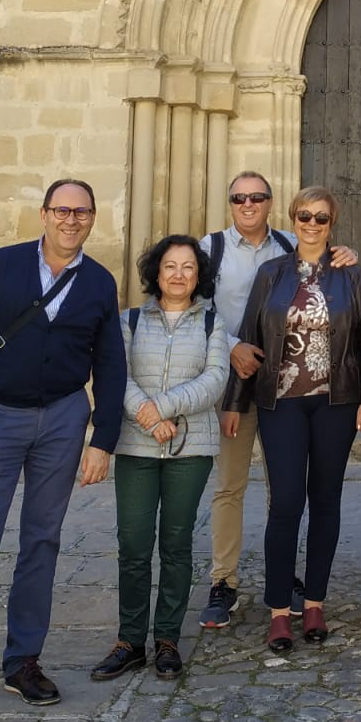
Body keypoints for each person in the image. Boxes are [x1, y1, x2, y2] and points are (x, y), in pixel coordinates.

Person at [0, 180, 126, 722]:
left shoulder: (99, 281)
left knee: (42, 540)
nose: (71, 219)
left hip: (63, 421)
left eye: (81, 212)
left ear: (93, 218)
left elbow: (109, 364)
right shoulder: (3, 265)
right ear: (44, 214)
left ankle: (22, 662)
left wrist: (102, 438)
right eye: (62, 210)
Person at [197, 171, 356, 629]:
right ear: (230, 202)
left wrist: (347, 255)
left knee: (282, 491)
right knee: (230, 485)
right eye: (238, 198)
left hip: (284, 388)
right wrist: (232, 347)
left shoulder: (290, 244)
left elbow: (328, 271)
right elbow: (194, 307)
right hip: (232, 378)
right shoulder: (210, 249)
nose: (247, 204)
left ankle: (282, 581)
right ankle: (223, 581)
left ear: (271, 203)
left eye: (256, 197)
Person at [90, 236, 229, 683]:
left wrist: (163, 407)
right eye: (170, 266)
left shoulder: (212, 323)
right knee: (133, 544)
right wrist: (148, 418)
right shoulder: (129, 320)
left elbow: (215, 380)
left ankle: (167, 638)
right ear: (156, 271)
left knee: (176, 543)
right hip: (136, 446)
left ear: (199, 275)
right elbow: (115, 374)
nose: (178, 275)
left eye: (188, 267)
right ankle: (130, 641)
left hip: (190, 449)